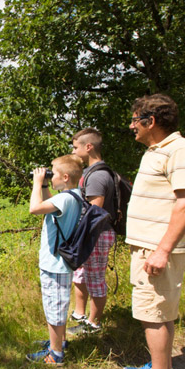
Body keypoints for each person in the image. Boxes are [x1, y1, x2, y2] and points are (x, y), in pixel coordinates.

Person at [118, 94, 185, 369]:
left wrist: (162, 250)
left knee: (152, 313)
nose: (132, 126)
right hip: (149, 247)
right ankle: (162, 368)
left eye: (135, 119)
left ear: (150, 121)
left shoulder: (180, 150)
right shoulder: (160, 151)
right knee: (160, 310)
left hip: (156, 250)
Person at [26, 154, 84, 365]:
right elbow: (50, 202)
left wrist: (37, 182)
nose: (50, 177)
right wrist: (43, 187)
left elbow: (35, 208)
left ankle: (56, 354)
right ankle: (58, 342)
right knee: (58, 305)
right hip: (61, 263)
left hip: (55, 264)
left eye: (53, 174)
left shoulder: (65, 198)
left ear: (66, 177)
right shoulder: (73, 196)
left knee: (54, 308)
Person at [68, 128, 117, 334]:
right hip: (88, 234)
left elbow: (94, 213)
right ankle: (80, 313)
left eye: (75, 147)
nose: (73, 150)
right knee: (80, 274)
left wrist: (80, 237)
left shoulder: (97, 176)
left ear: (88, 147)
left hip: (96, 234)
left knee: (95, 277)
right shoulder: (88, 172)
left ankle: (94, 323)